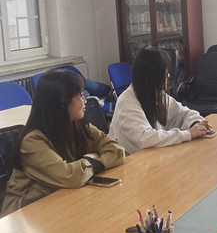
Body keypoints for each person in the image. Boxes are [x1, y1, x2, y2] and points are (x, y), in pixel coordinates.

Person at [1, 70, 125, 216]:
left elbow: (117, 151)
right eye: (80, 95)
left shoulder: (79, 126)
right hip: (25, 211)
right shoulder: (32, 141)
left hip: (62, 198)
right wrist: (91, 159)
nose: (85, 100)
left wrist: (85, 165)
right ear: (62, 102)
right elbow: (70, 177)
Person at [109, 47, 213, 154]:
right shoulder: (127, 102)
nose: (168, 75)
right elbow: (145, 139)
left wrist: (196, 123)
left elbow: (183, 113)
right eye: (164, 71)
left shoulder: (155, 94)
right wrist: (188, 134)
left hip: (151, 157)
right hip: (128, 161)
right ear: (152, 75)